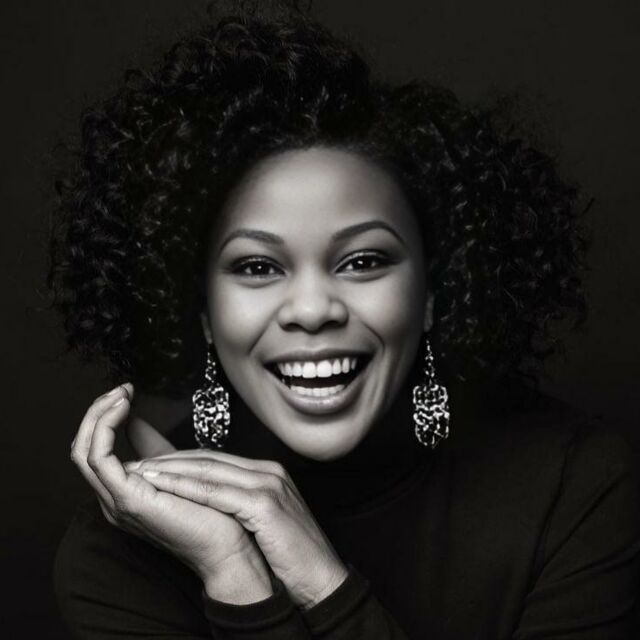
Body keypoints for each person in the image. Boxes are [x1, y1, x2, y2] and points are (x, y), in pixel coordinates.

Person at [48, 4, 640, 639]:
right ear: (202, 313)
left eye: (362, 261)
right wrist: (233, 569)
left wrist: (318, 580)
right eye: (256, 267)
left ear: (434, 289)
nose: (312, 310)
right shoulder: (120, 558)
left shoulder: (578, 491)